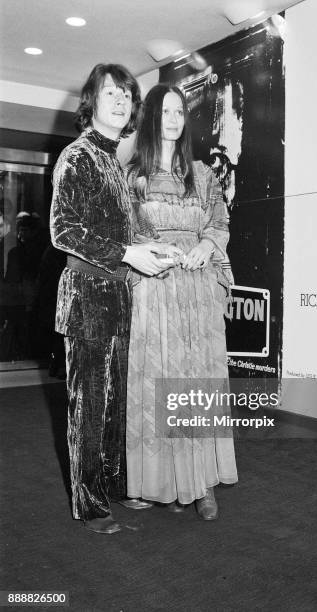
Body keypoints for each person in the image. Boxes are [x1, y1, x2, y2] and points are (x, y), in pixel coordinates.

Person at [50, 64, 176, 534]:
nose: (121, 101)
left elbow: (125, 230)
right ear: (92, 100)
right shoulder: (77, 155)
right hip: (86, 298)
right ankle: (90, 504)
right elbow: (63, 231)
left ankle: (109, 485)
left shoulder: (113, 161)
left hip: (118, 298)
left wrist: (153, 247)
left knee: (113, 405)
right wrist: (128, 252)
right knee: (87, 405)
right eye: (111, 93)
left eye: (127, 95)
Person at [126, 84, 238, 520]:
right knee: (160, 382)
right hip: (156, 290)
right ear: (152, 117)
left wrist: (207, 246)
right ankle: (164, 482)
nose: (173, 118)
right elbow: (127, 233)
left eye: (179, 112)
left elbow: (220, 221)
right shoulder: (132, 175)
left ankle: (203, 482)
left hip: (197, 291)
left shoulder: (203, 174)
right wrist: (161, 250)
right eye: (165, 111)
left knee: (199, 382)